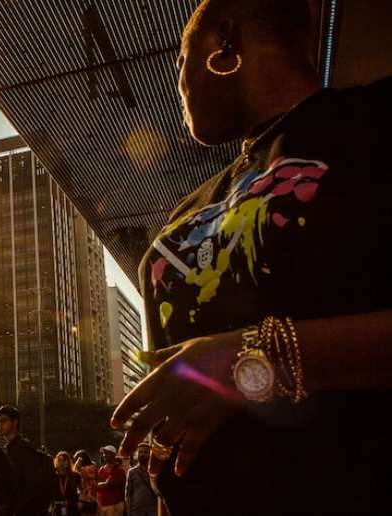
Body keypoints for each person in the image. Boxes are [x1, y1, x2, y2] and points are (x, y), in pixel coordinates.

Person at [109, 0, 392, 514]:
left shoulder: (375, 123)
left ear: (223, 45)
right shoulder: (186, 211)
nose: (179, 86)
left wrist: (252, 359)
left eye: (180, 63)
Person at [0, 404, 50, 516]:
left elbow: (32, 483)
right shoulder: (6, 449)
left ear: (15, 422)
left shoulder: (24, 448)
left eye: (3, 421)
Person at [124, 445, 156, 516]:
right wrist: (128, 513)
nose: (142, 454)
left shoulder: (155, 471)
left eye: (145, 452)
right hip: (137, 512)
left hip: (153, 511)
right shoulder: (132, 472)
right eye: (140, 452)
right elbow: (128, 494)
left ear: (150, 454)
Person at [95, 447, 124, 516]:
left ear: (113, 454)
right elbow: (98, 486)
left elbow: (107, 485)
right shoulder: (102, 469)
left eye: (106, 453)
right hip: (103, 506)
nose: (103, 455)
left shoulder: (119, 470)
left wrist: (99, 485)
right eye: (103, 453)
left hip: (114, 505)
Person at [50, 451, 81, 516]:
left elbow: (82, 491)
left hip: (72, 509)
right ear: (56, 462)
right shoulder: (52, 477)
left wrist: (80, 501)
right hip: (56, 509)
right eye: (59, 460)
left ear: (68, 462)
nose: (61, 462)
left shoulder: (75, 476)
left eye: (64, 460)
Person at [72, 451, 97, 516]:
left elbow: (74, 472)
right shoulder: (93, 466)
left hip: (87, 494)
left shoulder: (86, 468)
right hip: (92, 493)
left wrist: (77, 464)